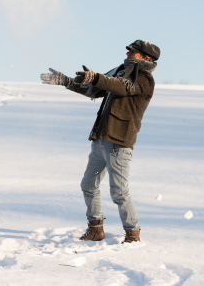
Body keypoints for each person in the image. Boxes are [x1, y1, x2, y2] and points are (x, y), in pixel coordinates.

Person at [40, 40, 160, 243]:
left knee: (119, 191)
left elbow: (123, 87)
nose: (128, 53)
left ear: (146, 58)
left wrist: (97, 77)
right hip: (101, 139)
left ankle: (133, 235)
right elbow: (94, 89)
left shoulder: (144, 78)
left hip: (119, 142)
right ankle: (95, 229)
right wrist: (67, 81)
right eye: (129, 50)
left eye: (134, 51)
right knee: (88, 185)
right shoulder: (121, 71)